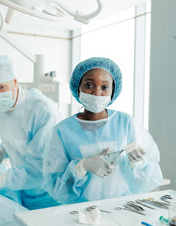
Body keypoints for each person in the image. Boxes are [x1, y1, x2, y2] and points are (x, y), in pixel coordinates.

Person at [43, 57, 163, 204]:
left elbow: (148, 176)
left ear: (113, 91)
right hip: (82, 211)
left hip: (122, 206)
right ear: (78, 87)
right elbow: (56, 187)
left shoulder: (125, 122)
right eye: (89, 85)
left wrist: (136, 163)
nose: (96, 92)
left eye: (104, 87)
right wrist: (82, 167)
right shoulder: (63, 131)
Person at [0, 55, 62, 210]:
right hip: (22, 187)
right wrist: (1, 152)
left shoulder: (42, 110)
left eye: (1, 87)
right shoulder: (2, 108)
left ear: (14, 82)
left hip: (48, 192)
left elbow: (40, 165)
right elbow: (16, 138)